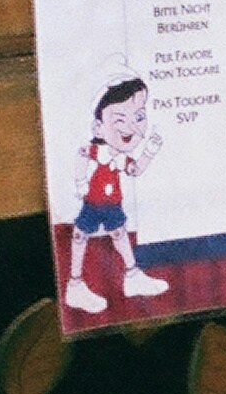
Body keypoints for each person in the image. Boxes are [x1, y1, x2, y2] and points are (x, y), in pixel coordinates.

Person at [65, 77, 172, 315]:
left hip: (113, 204)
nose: (130, 127)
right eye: (120, 119)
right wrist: (81, 183)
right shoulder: (97, 151)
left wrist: (149, 152)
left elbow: (136, 170)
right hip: (92, 203)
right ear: (98, 127)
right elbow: (81, 157)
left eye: (139, 117)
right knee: (80, 235)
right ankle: (75, 284)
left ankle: (132, 276)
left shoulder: (121, 158)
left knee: (119, 233)